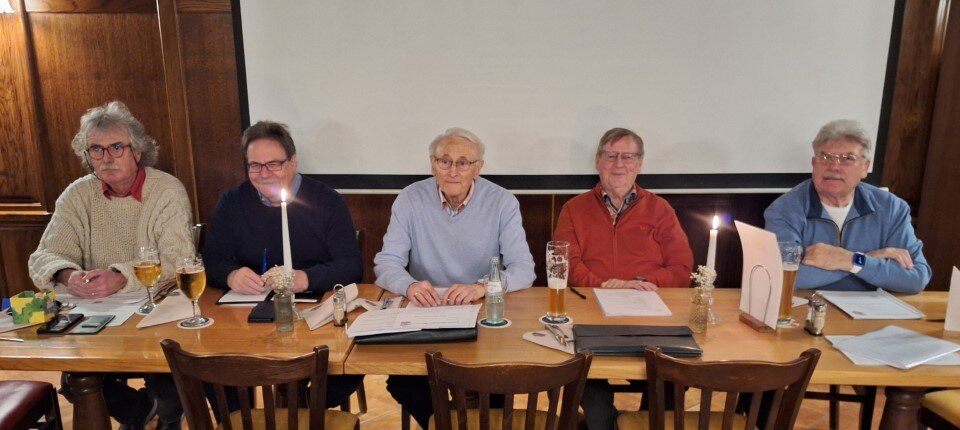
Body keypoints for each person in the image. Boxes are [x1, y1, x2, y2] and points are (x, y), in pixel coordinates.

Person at [28, 101, 194, 430]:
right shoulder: (77, 195)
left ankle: (155, 417)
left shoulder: (166, 190)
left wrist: (119, 276)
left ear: (137, 151)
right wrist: (68, 275)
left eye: (117, 147)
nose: (107, 157)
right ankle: (143, 416)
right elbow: (43, 256)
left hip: (156, 314)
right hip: (98, 317)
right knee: (75, 381)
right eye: (96, 149)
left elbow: (178, 259)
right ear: (87, 155)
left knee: (167, 379)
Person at [373, 127, 536, 428]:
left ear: (478, 167)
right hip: (426, 312)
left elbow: (524, 269)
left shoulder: (502, 201)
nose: (453, 171)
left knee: (495, 383)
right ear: (432, 164)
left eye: (463, 163)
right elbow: (386, 263)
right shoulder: (410, 198)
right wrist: (409, 285)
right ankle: (444, 424)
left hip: (483, 314)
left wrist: (482, 287)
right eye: (444, 161)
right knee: (403, 381)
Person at [201, 120, 363, 409]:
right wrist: (231, 275)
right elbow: (211, 260)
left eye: (273, 164)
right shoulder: (233, 202)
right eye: (255, 165)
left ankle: (301, 410)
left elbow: (351, 266)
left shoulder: (326, 200)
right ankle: (241, 420)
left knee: (344, 368)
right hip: (248, 320)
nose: (264, 174)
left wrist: (306, 278)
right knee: (212, 368)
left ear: (293, 162)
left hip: (315, 319)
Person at [553, 127, 693, 430]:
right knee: (584, 381)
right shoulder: (573, 209)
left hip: (651, 317)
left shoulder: (660, 209)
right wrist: (604, 285)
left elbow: (682, 268)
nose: (619, 164)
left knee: (672, 381)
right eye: (610, 156)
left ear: (639, 163)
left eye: (628, 157)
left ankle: (646, 422)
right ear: (597, 160)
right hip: (591, 315)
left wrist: (641, 282)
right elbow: (566, 265)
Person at [764, 119, 931, 293]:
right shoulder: (784, 210)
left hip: (871, 308)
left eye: (847, 159)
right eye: (825, 157)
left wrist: (850, 260)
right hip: (808, 307)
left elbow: (916, 278)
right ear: (814, 163)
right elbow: (783, 277)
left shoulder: (891, 208)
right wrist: (865, 259)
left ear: (865, 167)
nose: (834, 167)